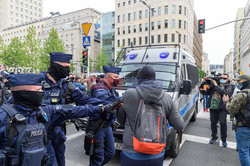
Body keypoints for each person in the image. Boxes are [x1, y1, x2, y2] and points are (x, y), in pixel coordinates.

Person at [0, 73, 116, 166]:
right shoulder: (4, 115)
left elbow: (74, 110)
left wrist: (101, 108)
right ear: (24, 93)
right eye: (38, 90)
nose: (42, 93)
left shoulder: (45, 111)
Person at [42, 52, 102, 166]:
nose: (68, 71)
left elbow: (85, 100)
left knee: (60, 161)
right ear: (55, 66)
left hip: (58, 133)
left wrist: (104, 105)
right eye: (65, 67)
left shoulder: (67, 86)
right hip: (42, 134)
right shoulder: (37, 83)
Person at [117, 66, 184, 166]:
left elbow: (120, 120)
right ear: (154, 78)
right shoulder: (166, 98)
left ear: (138, 79)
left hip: (132, 152)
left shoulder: (129, 94)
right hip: (156, 153)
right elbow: (180, 125)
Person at [89, 66, 121, 166]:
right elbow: (108, 102)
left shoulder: (111, 89)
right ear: (109, 78)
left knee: (111, 153)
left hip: (107, 125)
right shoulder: (98, 88)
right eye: (116, 77)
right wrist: (122, 99)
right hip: (98, 126)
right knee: (98, 155)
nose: (118, 79)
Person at [223, 74, 250, 166]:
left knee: (243, 152)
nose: (237, 83)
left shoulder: (241, 95)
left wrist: (226, 101)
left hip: (244, 127)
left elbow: (231, 110)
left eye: (239, 81)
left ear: (246, 82)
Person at [207, 73, 235, 147]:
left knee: (223, 123)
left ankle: (224, 140)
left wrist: (216, 86)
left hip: (222, 108)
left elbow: (226, 94)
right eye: (221, 78)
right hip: (213, 107)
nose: (222, 79)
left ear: (228, 79)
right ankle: (214, 136)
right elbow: (207, 93)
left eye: (224, 78)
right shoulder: (215, 84)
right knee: (213, 123)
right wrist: (208, 86)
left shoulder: (230, 86)